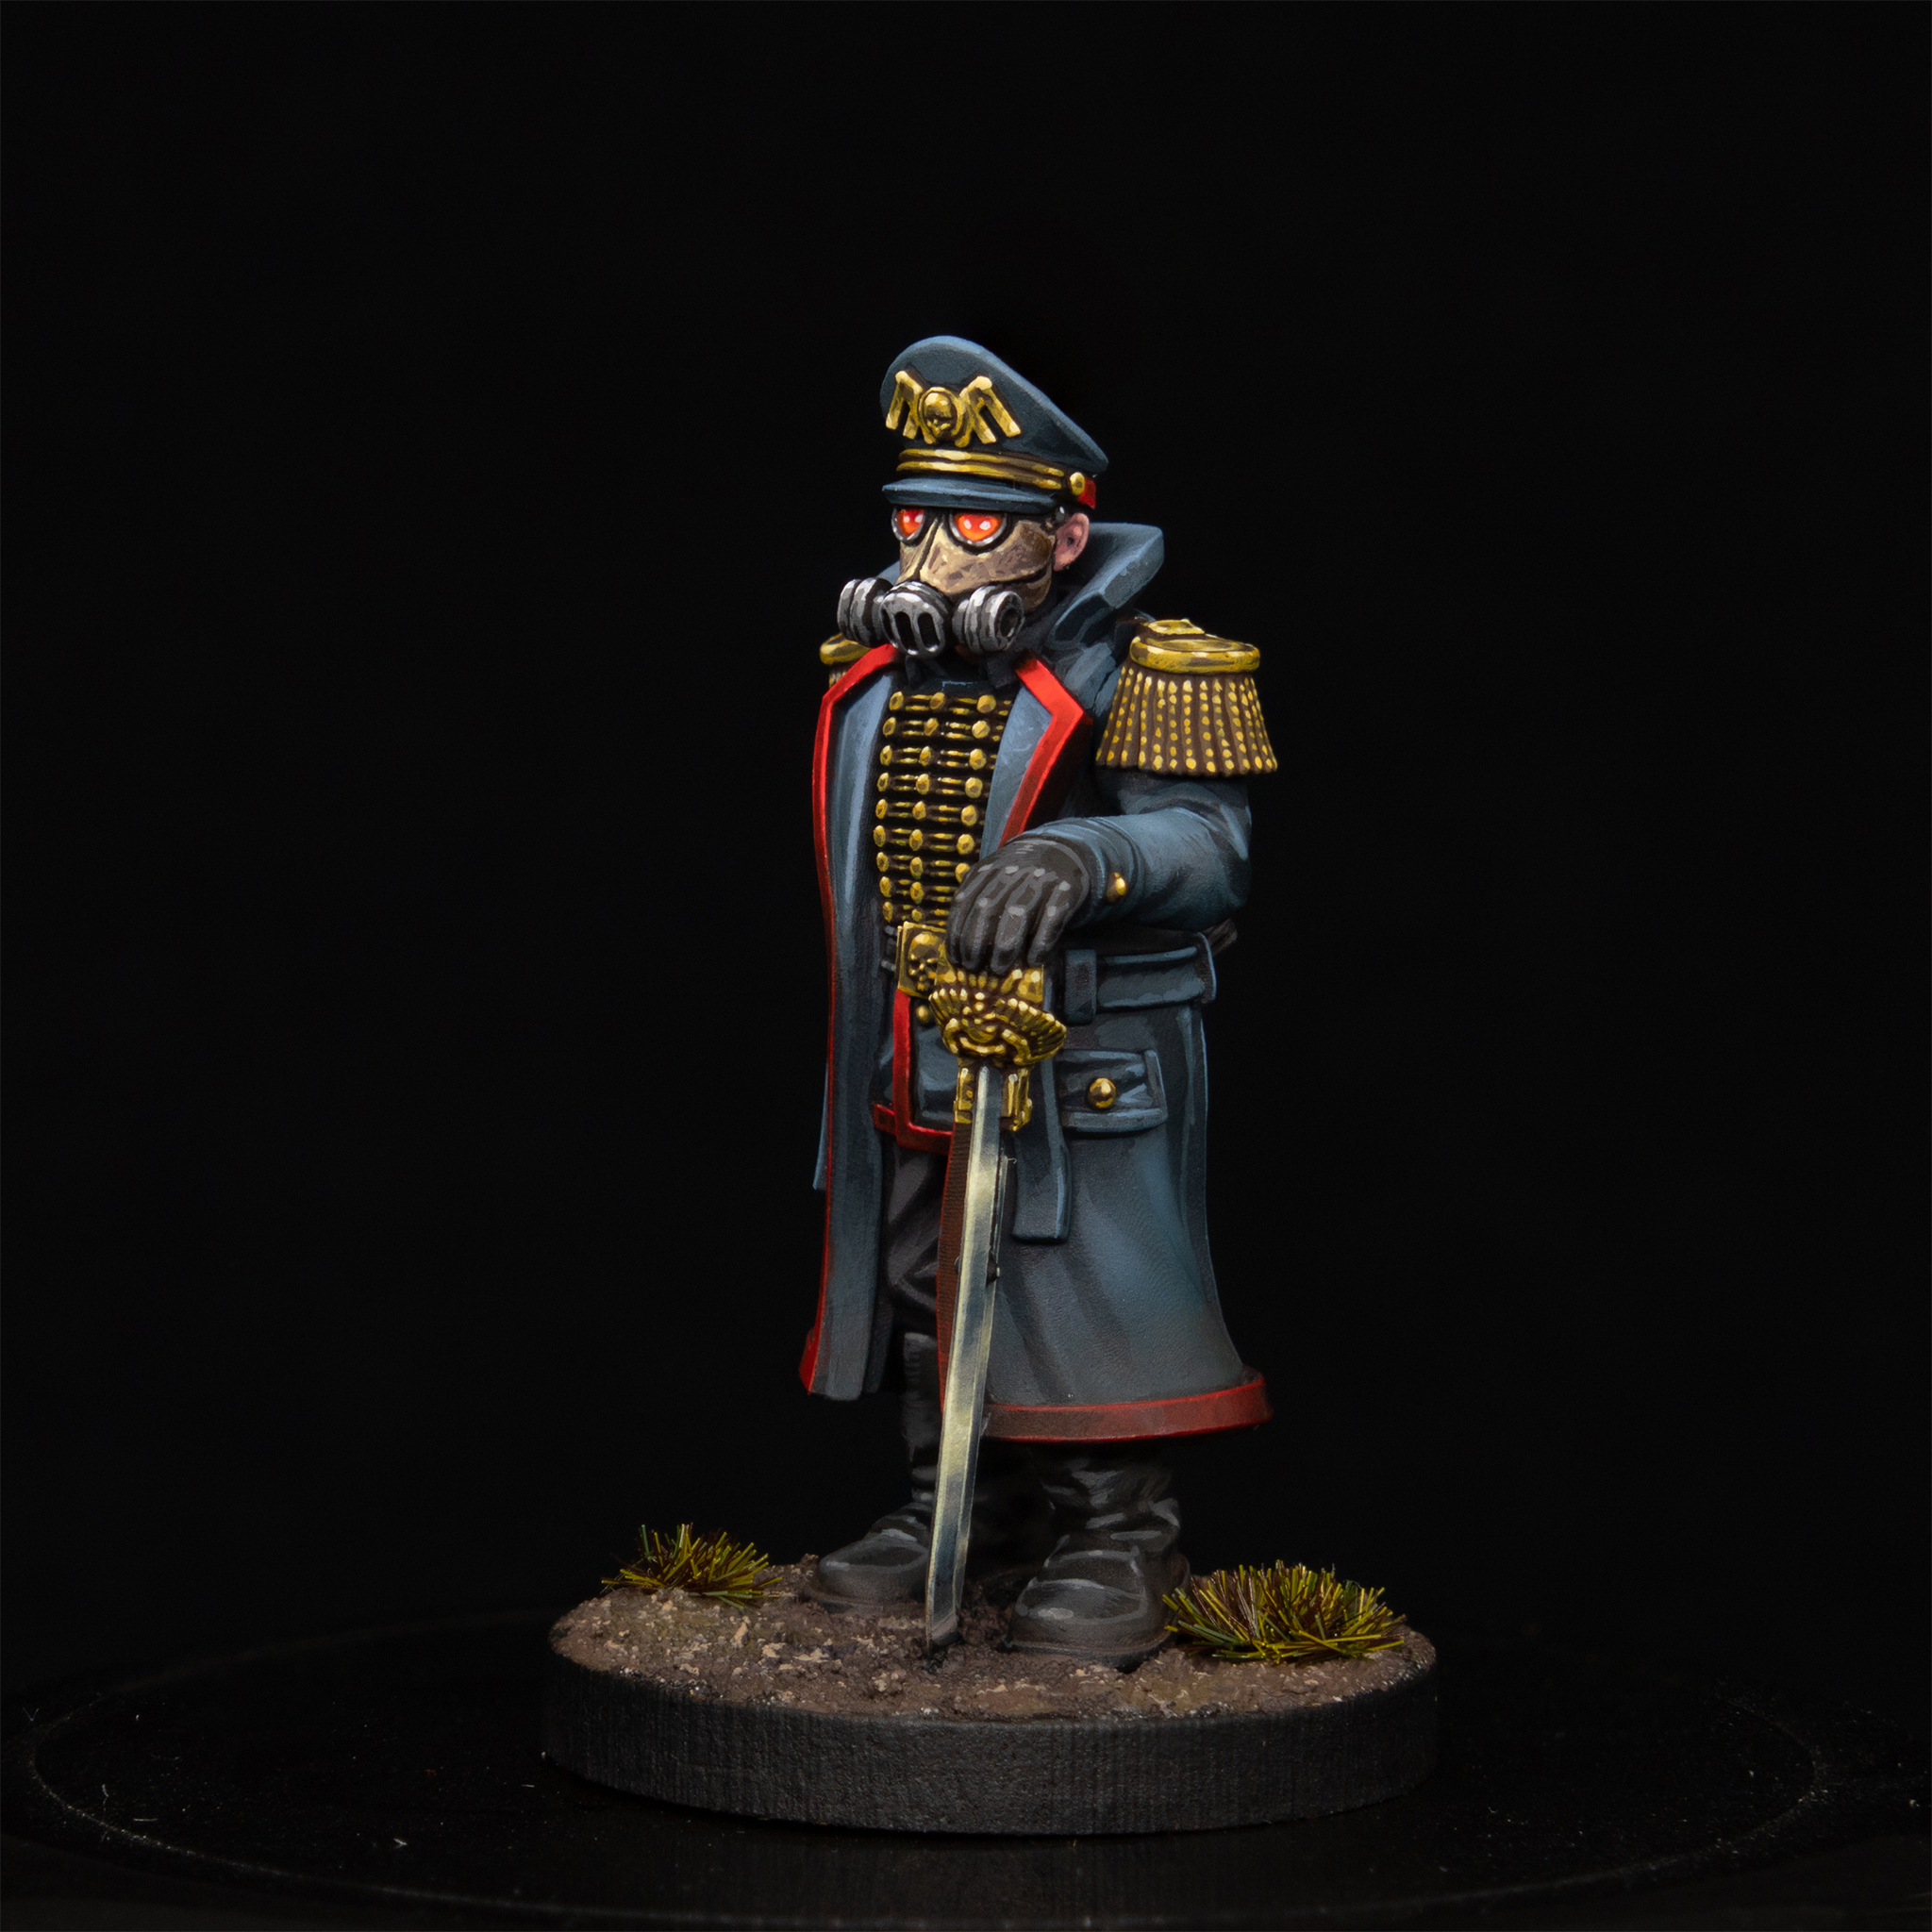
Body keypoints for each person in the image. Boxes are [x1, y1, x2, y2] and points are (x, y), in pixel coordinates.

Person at [803, 337, 1276, 1662]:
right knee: (920, 1274)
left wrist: (1086, 854)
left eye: (970, 527)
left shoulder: (1151, 669)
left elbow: (1209, 846)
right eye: (914, 522)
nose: (928, 558)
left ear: (1061, 540)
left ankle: (1121, 1536)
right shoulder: (874, 677)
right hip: (911, 1040)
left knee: (1084, 1293)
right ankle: (966, 1506)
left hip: (1078, 1055)